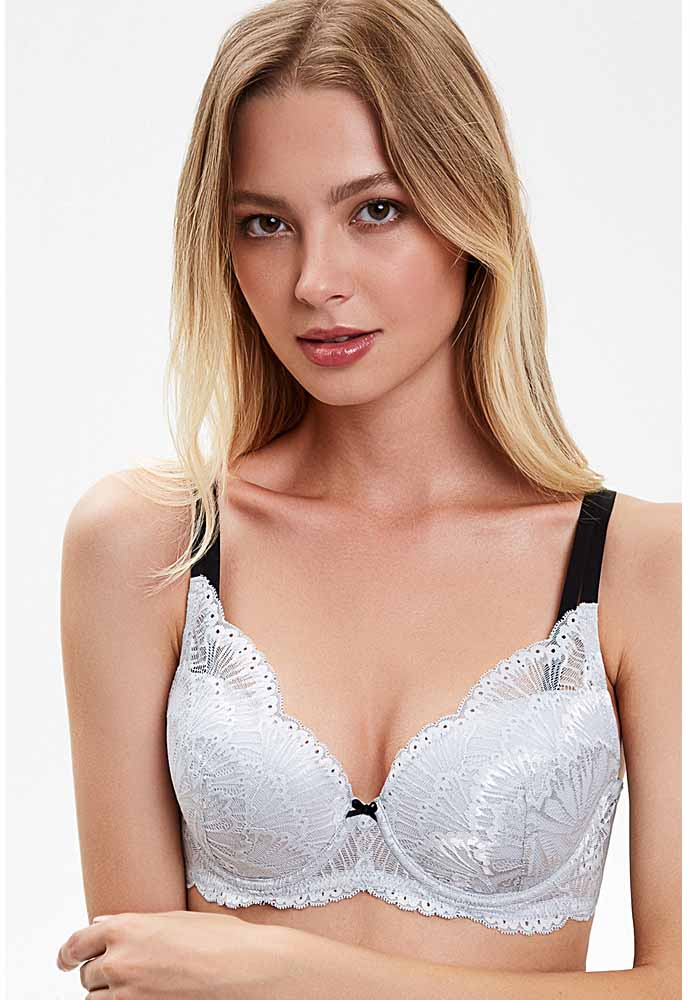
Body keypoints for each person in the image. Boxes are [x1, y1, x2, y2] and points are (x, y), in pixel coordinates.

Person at [55, 0, 680, 996]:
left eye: (375, 210)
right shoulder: (148, 545)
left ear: (471, 210)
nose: (315, 280)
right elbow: (137, 978)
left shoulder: (645, 566)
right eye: (266, 224)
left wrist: (284, 967)